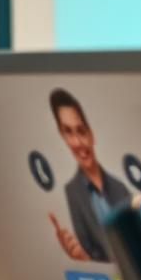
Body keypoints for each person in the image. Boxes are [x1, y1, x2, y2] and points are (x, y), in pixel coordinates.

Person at [46, 88, 128, 262]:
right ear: (62, 136)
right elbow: (92, 260)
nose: (77, 143)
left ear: (91, 134)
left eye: (81, 131)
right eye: (68, 132)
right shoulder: (71, 193)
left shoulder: (120, 189)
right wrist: (82, 258)